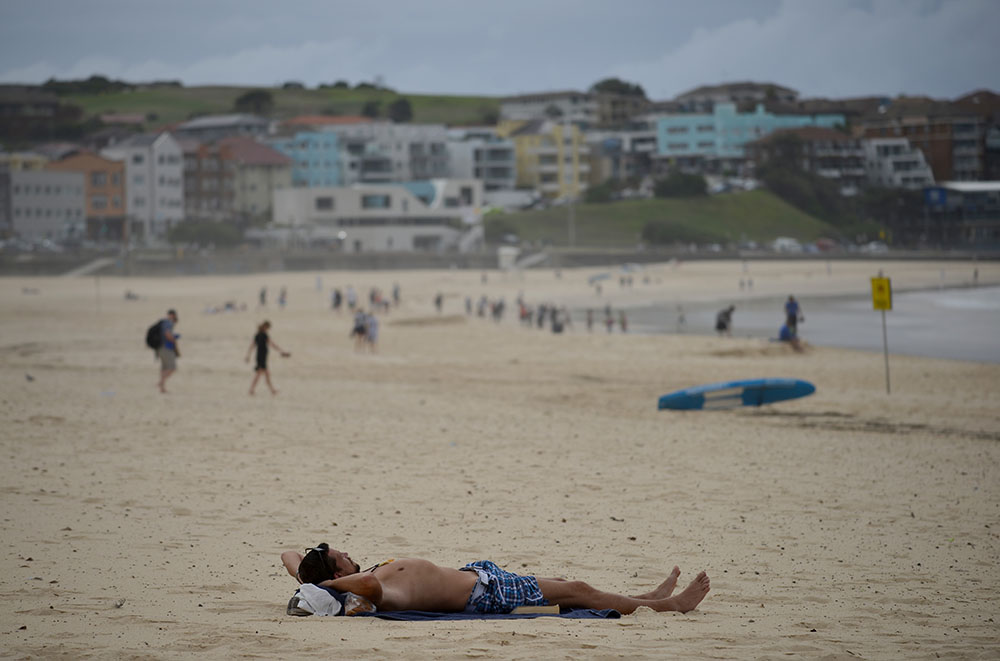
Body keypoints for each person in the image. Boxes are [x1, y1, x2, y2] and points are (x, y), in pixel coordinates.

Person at [281, 544, 710, 616]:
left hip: (480, 577)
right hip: (484, 594)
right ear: (340, 574)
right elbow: (371, 589)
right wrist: (331, 586)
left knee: (565, 583)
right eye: (343, 557)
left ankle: (643, 598)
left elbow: (290, 557)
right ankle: (670, 606)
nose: (350, 553)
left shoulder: (354, 576)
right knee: (577, 591)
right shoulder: (371, 588)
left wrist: (314, 576)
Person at [245, 321, 290, 395]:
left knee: (265, 374)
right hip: (262, 357)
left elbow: (252, 346)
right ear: (266, 327)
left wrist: (248, 356)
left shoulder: (257, 335)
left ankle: (271, 390)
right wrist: (281, 351)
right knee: (260, 375)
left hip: (260, 357)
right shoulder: (264, 335)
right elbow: (272, 344)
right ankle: (252, 390)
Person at [157, 309, 180, 394]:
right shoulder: (168, 323)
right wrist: (174, 340)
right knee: (172, 368)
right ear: (173, 315)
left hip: (159, 347)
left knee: (164, 368)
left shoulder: (162, 322)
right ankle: (161, 383)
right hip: (165, 348)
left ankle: (162, 387)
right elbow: (167, 334)